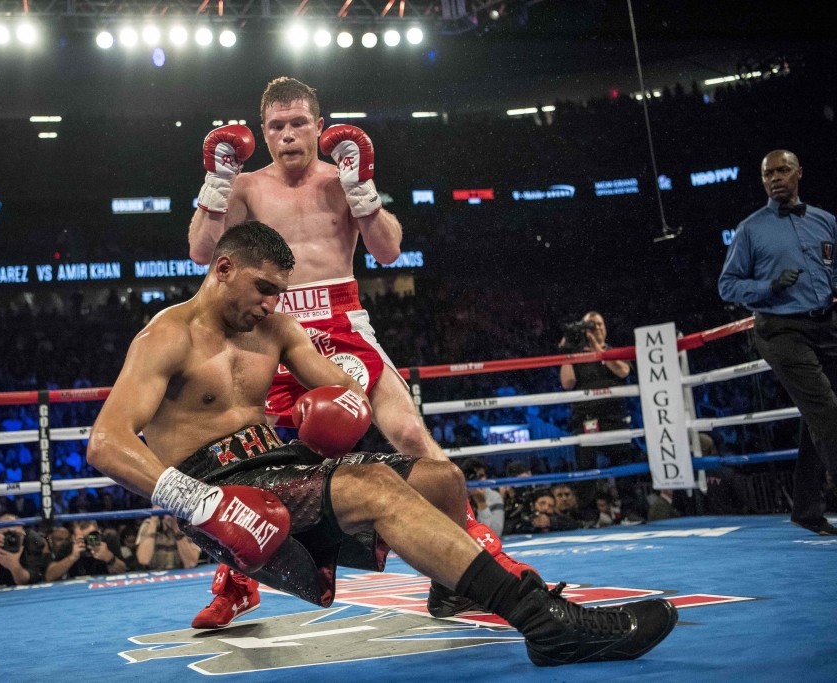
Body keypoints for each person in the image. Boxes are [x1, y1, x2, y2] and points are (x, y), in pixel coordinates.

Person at [86, 223, 677, 667]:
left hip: (280, 462)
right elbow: (105, 443)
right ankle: (542, 622)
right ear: (221, 268)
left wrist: (339, 401)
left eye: (279, 292)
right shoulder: (167, 336)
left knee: (440, 478)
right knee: (374, 487)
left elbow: (344, 387)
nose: (270, 303)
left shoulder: (276, 328)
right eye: (262, 287)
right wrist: (199, 502)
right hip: (217, 487)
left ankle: (450, 591)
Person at [186, 76, 510, 627]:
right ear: (263, 133)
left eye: (298, 123)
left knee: (407, 431)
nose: (288, 135)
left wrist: (363, 190)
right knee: (248, 450)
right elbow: (199, 252)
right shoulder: (243, 186)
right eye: (277, 126)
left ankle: (472, 547)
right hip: (274, 325)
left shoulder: (343, 177)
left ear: (318, 124)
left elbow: (387, 250)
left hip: (342, 317)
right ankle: (237, 581)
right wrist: (216, 181)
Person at [718, 149, 837, 536]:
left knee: (815, 419)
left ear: (799, 173)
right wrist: (768, 285)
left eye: (783, 170)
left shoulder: (826, 221)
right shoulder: (750, 229)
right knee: (828, 413)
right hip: (780, 329)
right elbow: (727, 284)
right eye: (768, 173)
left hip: (826, 326)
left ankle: (806, 508)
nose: (775, 178)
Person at [559, 312, 634, 471]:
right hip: (585, 420)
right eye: (592, 325)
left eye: (600, 324)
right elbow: (567, 382)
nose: (597, 328)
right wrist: (568, 353)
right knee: (587, 474)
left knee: (624, 472)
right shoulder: (576, 356)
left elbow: (623, 371)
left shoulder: (615, 352)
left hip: (614, 418)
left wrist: (597, 349)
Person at [0, 514, 47, 589]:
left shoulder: (31, 541)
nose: (11, 538)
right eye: (5, 534)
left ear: (23, 532)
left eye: (15, 534)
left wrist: (14, 566)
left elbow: (30, 580)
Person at [44, 520, 130, 582]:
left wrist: (109, 558)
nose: (87, 541)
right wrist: (72, 557)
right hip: (77, 589)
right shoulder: (68, 545)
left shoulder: (109, 540)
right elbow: (49, 576)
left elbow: (122, 570)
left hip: (106, 585)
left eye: (91, 536)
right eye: (82, 538)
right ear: (73, 537)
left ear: (99, 533)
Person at [135, 514, 202, 570]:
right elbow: (143, 560)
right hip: (155, 574)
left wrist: (177, 530)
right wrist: (153, 523)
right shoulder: (149, 524)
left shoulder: (187, 526)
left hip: (181, 574)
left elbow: (191, 563)